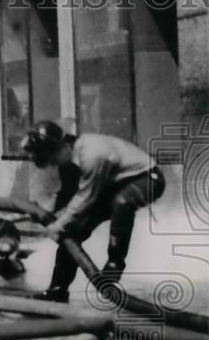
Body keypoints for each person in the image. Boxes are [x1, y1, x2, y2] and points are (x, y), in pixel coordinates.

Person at [21, 121, 166, 303]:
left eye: (53, 159)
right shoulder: (69, 159)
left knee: (122, 203)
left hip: (147, 178)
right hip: (113, 185)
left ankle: (115, 264)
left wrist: (58, 224)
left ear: (63, 147)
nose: (54, 164)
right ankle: (57, 290)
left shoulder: (92, 155)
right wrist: (44, 211)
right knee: (72, 230)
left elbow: (86, 197)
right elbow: (66, 194)